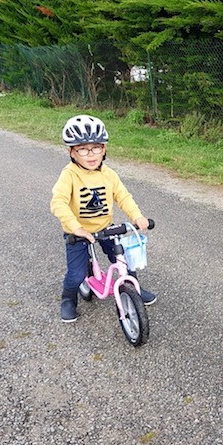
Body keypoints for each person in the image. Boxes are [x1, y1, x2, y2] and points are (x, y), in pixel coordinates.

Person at [51, 114, 157, 323]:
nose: (91, 154)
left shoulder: (108, 174)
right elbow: (58, 202)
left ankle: (133, 288)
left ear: (104, 149)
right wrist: (76, 228)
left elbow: (122, 196)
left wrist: (137, 216)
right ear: (72, 152)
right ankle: (68, 299)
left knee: (125, 259)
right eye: (83, 149)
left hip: (106, 228)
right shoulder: (70, 175)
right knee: (76, 274)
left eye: (96, 147)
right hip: (78, 233)